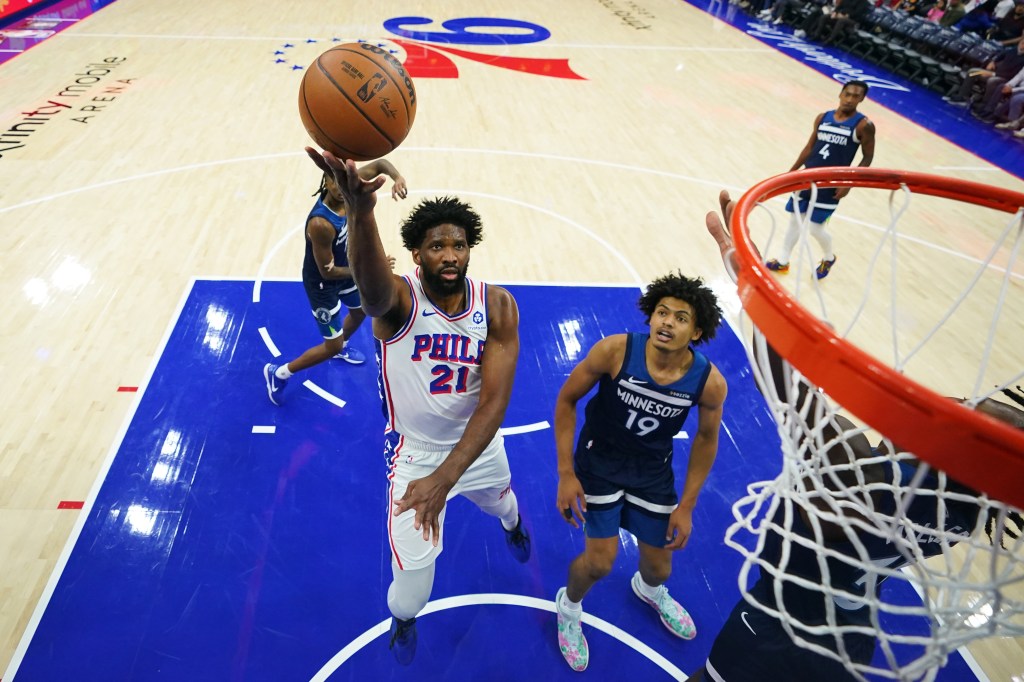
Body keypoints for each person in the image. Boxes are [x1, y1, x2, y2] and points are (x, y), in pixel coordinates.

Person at [687, 190, 1024, 682]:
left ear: (954, 449)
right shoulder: (969, 515)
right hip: (850, 635)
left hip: (778, 623)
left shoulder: (860, 472)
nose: (953, 402)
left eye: (968, 411)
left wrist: (750, 279)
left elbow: (790, 390)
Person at [304, 147, 531, 666]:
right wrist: (362, 213)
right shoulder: (400, 302)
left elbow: (494, 404)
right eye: (436, 246)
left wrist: (447, 480)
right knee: (411, 589)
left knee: (503, 503)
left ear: (470, 250)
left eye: (458, 245)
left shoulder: (497, 305)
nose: (449, 255)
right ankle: (403, 620)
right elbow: (370, 290)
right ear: (417, 255)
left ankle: (513, 525)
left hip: (477, 446)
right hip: (418, 454)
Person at [552, 273, 729, 672]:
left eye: (680, 318)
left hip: (652, 471)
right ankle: (569, 606)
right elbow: (566, 401)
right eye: (661, 312)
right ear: (650, 317)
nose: (667, 322)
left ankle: (649, 590)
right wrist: (566, 472)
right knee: (599, 562)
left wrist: (687, 505)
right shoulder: (615, 351)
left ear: (697, 330)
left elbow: (705, 440)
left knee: (659, 566)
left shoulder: (708, 382)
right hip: (599, 465)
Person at [262, 160, 407, 405]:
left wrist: (398, 178)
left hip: (347, 270)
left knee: (361, 310)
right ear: (325, 182)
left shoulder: (350, 183)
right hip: (323, 284)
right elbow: (327, 272)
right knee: (330, 346)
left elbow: (381, 164)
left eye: (340, 180)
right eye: (333, 181)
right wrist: (368, 268)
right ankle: (279, 373)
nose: (340, 187)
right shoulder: (321, 224)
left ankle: (343, 346)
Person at [764, 80, 876, 280]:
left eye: (855, 96)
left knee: (815, 228)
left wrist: (848, 183)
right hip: (806, 179)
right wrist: (791, 172)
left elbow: (867, 157)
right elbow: (809, 147)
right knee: (794, 222)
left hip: (831, 185)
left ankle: (828, 257)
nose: (850, 99)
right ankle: (783, 261)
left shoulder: (863, 125)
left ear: (862, 99)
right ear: (840, 94)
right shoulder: (822, 118)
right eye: (847, 94)